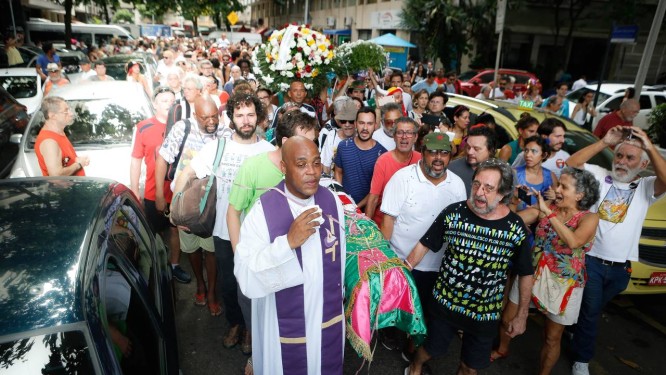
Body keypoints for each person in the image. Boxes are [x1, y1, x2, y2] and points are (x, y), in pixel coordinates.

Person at [404, 159, 534, 375]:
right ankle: (415, 367)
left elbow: (526, 272)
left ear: (502, 193)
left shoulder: (514, 227)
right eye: (476, 184)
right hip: (446, 303)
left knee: (470, 366)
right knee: (430, 350)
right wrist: (404, 270)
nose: (479, 192)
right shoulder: (454, 213)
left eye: (488, 188)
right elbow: (425, 243)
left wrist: (522, 315)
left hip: (485, 312)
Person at [234, 136, 346, 375]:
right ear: (284, 167)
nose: (312, 172)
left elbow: (340, 256)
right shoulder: (263, 211)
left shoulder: (332, 202)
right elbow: (245, 274)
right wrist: (287, 243)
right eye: (302, 164)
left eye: (317, 163)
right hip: (284, 325)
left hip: (328, 316)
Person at [566, 126, 666, 375]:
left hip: (621, 269)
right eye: (619, 155)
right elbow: (572, 162)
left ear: (643, 164)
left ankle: (572, 329)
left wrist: (649, 145)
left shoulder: (646, 186)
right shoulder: (600, 175)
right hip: (591, 261)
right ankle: (582, 360)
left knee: (592, 309)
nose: (622, 161)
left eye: (630, 158)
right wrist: (605, 142)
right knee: (591, 313)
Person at [181, 93, 274, 351]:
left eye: (251, 115)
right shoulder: (217, 148)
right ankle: (235, 323)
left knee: (256, 284)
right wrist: (177, 208)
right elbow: (188, 172)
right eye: (240, 115)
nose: (245, 121)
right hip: (223, 232)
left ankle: (252, 329)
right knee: (229, 283)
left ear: (259, 118)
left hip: (259, 236)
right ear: (231, 118)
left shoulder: (270, 152)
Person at [226, 111, 318, 359]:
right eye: (304, 141)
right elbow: (233, 212)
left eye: (314, 143)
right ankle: (258, 353)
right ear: (287, 142)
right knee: (257, 311)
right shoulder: (253, 167)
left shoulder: (310, 171)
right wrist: (241, 258)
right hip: (261, 258)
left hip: (295, 258)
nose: (310, 151)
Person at [492, 167, 600, 374]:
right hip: (532, 273)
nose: (556, 189)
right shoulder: (549, 207)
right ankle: (502, 349)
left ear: (580, 195)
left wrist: (548, 212)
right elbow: (514, 220)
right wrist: (513, 199)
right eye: (558, 184)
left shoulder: (590, 218)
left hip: (565, 283)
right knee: (508, 318)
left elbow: (574, 241)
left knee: (551, 336)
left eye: (563, 186)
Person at [380, 132, 465, 352]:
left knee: (425, 312)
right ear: (422, 153)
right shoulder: (403, 178)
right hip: (402, 260)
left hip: (438, 266)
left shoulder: (457, 185)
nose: (438, 158)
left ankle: (413, 349)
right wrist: (385, 259)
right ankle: (389, 332)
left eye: (444, 153)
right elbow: (388, 219)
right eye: (433, 152)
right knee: (397, 307)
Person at [157, 97, 225, 293]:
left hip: (212, 205)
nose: (211, 122)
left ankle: (211, 292)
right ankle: (200, 285)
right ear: (195, 116)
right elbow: (162, 159)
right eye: (205, 118)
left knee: (211, 251)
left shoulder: (225, 133)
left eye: (214, 117)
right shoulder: (182, 128)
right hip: (185, 203)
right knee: (192, 249)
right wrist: (161, 197)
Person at [129, 86, 189, 285]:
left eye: (172, 101)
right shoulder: (143, 127)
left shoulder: (184, 126)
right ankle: (156, 268)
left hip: (178, 191)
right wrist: (134, 189)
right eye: (164, 101)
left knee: (175, 230)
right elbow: (136, 160)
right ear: (154, 104)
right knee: (153, 232)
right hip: (153, 192)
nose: (168, 105)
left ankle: (174, 266)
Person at [366, 117, 422, 226]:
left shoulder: (421, 161)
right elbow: (373, 198)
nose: (404, 137)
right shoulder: (383, 161)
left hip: (411, 225)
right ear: (394, 137)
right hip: (383, 222)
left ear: (415, 137)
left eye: (409, 133)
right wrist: (367, 227)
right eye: (400, 133)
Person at [333, 107, 387, 208]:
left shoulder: (382, 154)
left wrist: (356, 207)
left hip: (368, 210)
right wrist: (342, 197)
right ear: (355, 124)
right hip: (344, 206)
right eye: (362, 123)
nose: (365, 128)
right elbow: (338, 172)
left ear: (375, 126)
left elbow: (376, 190)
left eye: (369, 123)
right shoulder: (343, 146)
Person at [35, 96, 89, 176]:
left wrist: (75, 161)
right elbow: (56, 177)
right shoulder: (49, 142)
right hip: (65, 189)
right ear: (52, 116)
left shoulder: (59, 133)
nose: (71, 114)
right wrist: (79, 164)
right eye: (66, 111)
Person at [512, 136, 558, 211]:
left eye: (534, 151)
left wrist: (554, 197)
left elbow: (558, 202)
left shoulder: (551, 176)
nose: (528, 155)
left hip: (540, 218)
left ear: (544, 155)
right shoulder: (514, 173)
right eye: (526, 150)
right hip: (517, 215)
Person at [449, 126, 496, 196]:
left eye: (476, 149)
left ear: (490, 150)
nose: (470, 152)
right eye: (468, 147)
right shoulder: (451, 169)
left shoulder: (502, 172)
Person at [321, 98, 358, 175]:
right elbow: (326, 167)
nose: (347, 125)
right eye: (343, 121)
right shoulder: (331, 135)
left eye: (351, 121)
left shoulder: (362, 136)